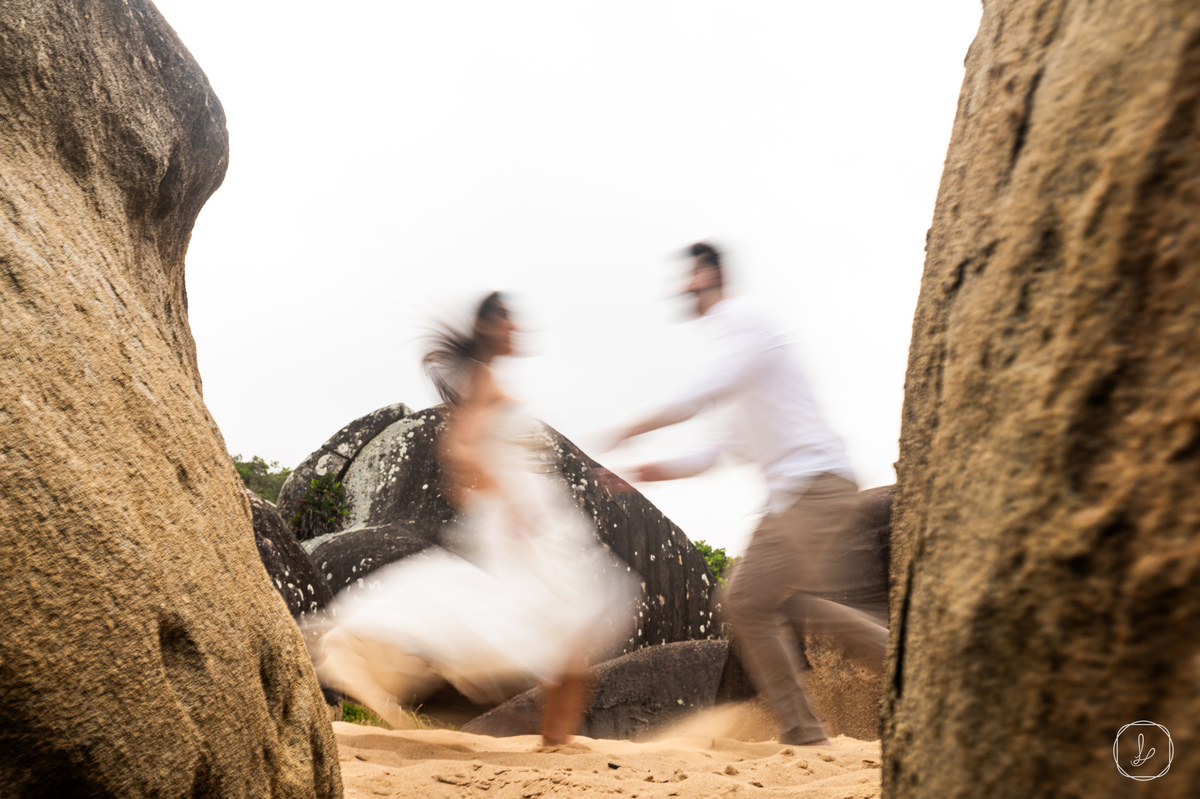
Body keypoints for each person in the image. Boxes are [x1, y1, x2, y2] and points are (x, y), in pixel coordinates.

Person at [307, 292, 635, 745]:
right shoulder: (482, 381)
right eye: (508, 320)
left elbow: (464, 468)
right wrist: (508, 498)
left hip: (534, 512)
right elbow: (458, 451)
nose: (516, 327)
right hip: (523, 518)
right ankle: (556, 745)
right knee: (563, 621)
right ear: (490, 327)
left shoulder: (484, 379)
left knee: (572, 625)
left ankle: (557, 745)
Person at [609, 242, 888, 747]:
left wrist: (632, 427)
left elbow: (699, 393)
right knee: (782, 603)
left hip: (814, 486)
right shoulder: (735, 364)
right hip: (797, 496)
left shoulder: (744, 325)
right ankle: (902, 662)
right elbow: (710, 454)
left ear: (711, 275)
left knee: (744, 600)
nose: (684, 288)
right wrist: (645, 471)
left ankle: (804, 731)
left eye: (691, 277)